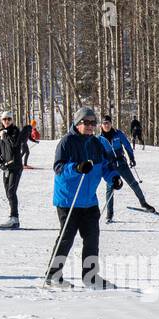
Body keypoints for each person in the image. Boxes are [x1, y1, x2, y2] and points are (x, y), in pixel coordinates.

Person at [48, 107, 120, 287]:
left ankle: (90, 277)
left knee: (92, 239)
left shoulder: (97, 143)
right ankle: (53, 276)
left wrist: (113, 178)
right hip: (68, 200)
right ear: (77, 123)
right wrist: (77, 168)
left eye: (92, 123)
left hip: (89, 200)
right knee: (66, 238)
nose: (90, 126)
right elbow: (59, 168)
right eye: (85, 122)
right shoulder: (66, 142)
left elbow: (104, 165)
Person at [99, 114, 154, 220]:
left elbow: (127, 145)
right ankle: (109, 214)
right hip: (111, 167)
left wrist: (131, 158)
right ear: (101, 125)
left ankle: (143, 203)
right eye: (104, 123)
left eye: (108, 123)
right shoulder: (99, 139)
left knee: (134, 183)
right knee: (110, 189)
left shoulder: (118, 134)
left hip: (122, 164)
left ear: (111, 124)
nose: (106, 125)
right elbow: (100, 156)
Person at [0, 112, 28, 229]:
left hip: (16, 167)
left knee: (11, 192)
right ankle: (13, 218)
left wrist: (6, 136)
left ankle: (14, 218)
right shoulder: (0, 134)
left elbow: (14, 145)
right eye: (4, 119)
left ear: (12, 120)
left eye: (9, 119)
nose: (6, 121)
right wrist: (1, 165)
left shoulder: (15, 131)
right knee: (8, 193)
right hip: (6, 168)